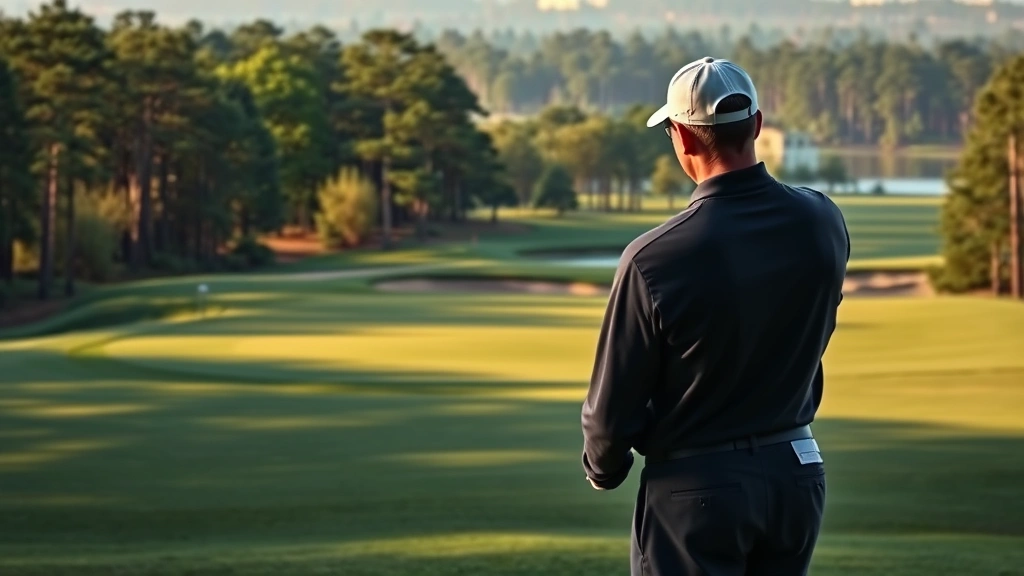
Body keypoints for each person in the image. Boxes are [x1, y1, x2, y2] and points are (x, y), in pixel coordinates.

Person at [580, 56, 850, 576]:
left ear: (681, 138)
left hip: (698, 488)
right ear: (756, 125)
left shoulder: (655, 257)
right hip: (798, 473)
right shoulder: (822, 220)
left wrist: (604, 468)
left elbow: (611, 412)